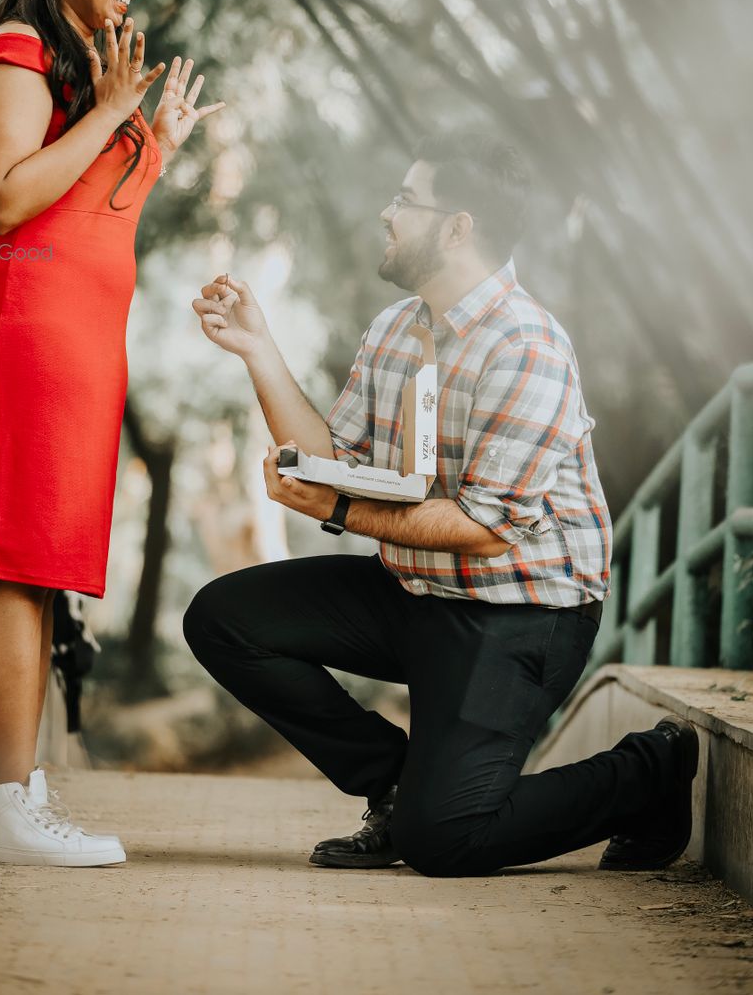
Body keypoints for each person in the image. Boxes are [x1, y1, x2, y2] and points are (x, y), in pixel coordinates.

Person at [184, 131, 699, 877]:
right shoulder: (397, 329)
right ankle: (393, 783)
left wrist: (333, 511)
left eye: (405, 200)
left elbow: (484, 531)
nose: (387, 215)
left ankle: (649, 771)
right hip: (416, 588)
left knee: (445, 841)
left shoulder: (528, 348)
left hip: (521, 614)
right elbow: (335, 462)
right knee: (224, 620)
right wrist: (260, 351)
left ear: (457, 226)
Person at [0, 0, 224, 866]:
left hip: (76, 332)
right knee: (14, 556)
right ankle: (7, 807)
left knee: (43, 561)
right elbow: (6, 203)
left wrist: (151, 150)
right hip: (21, 322)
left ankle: (23, 791)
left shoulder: (81, 72)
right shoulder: (15, 53)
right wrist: (108, 115)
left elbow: (87, 214)